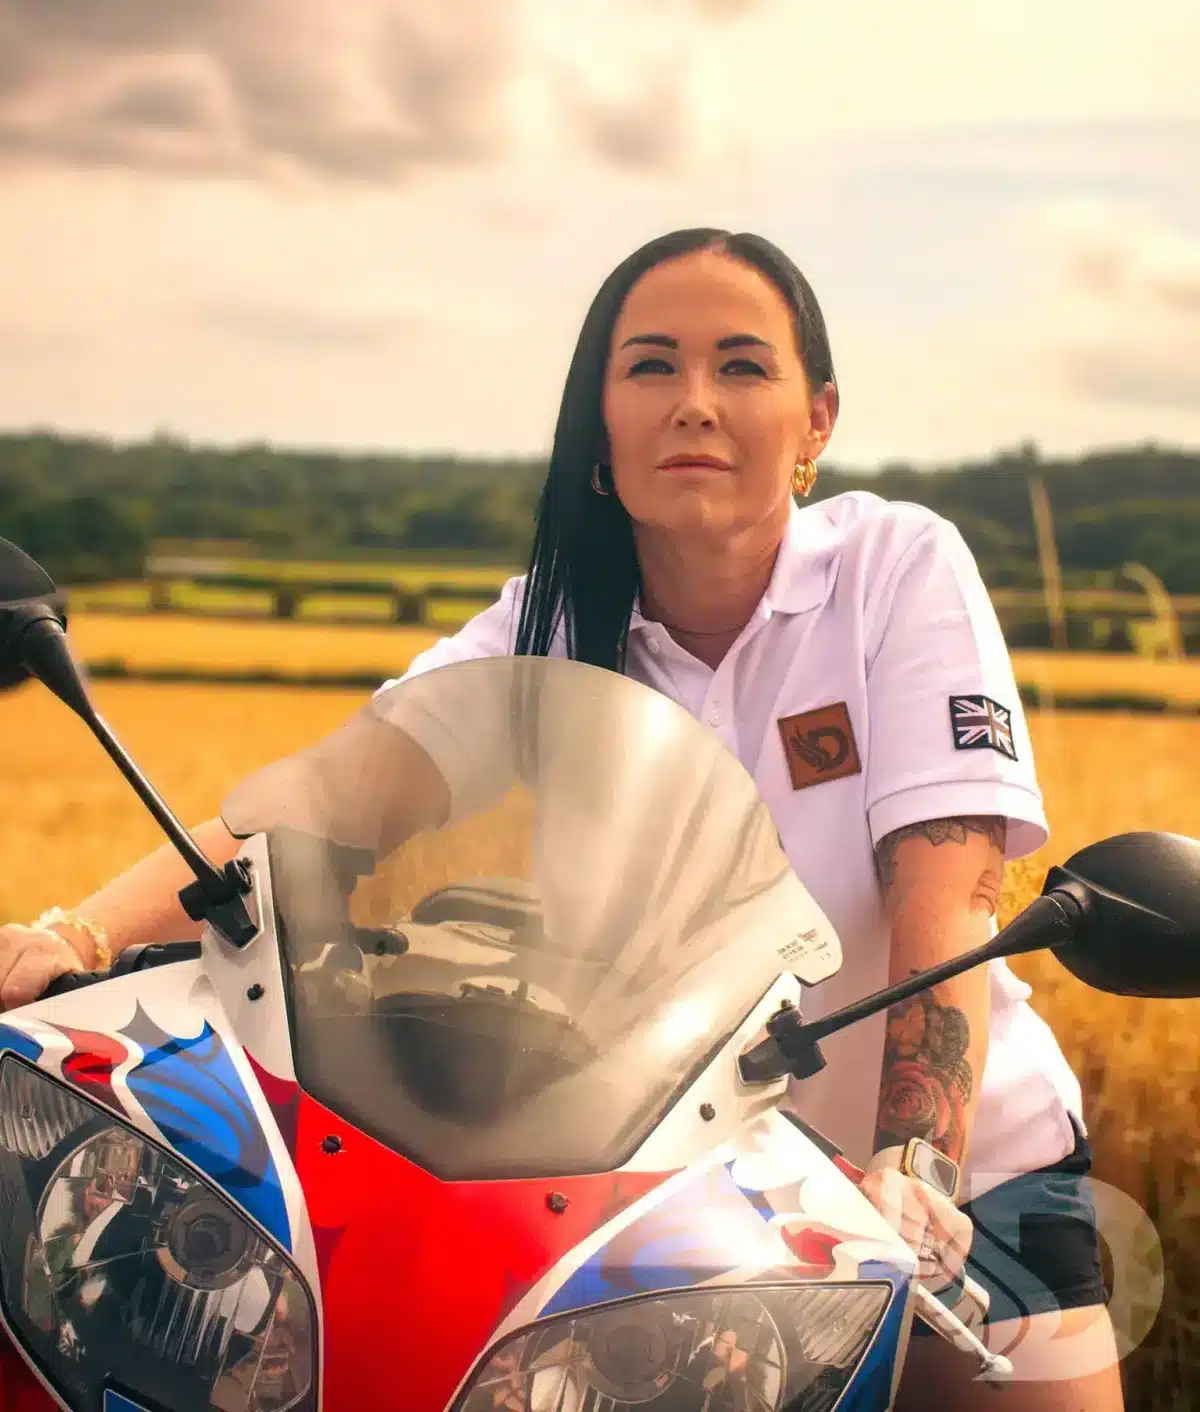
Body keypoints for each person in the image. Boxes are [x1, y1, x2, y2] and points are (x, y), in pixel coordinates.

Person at [0, 228, 1117, 1410]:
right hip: (688, 1209)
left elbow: (945, 898)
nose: (694, 402)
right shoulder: (546, 621)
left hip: (954, 1188)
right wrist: (77, 935)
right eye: (650, 367)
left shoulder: (896, 567)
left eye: (741, 366)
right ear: (600, 425)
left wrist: (916, 1168)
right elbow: (325, 801)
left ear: (817, 420)